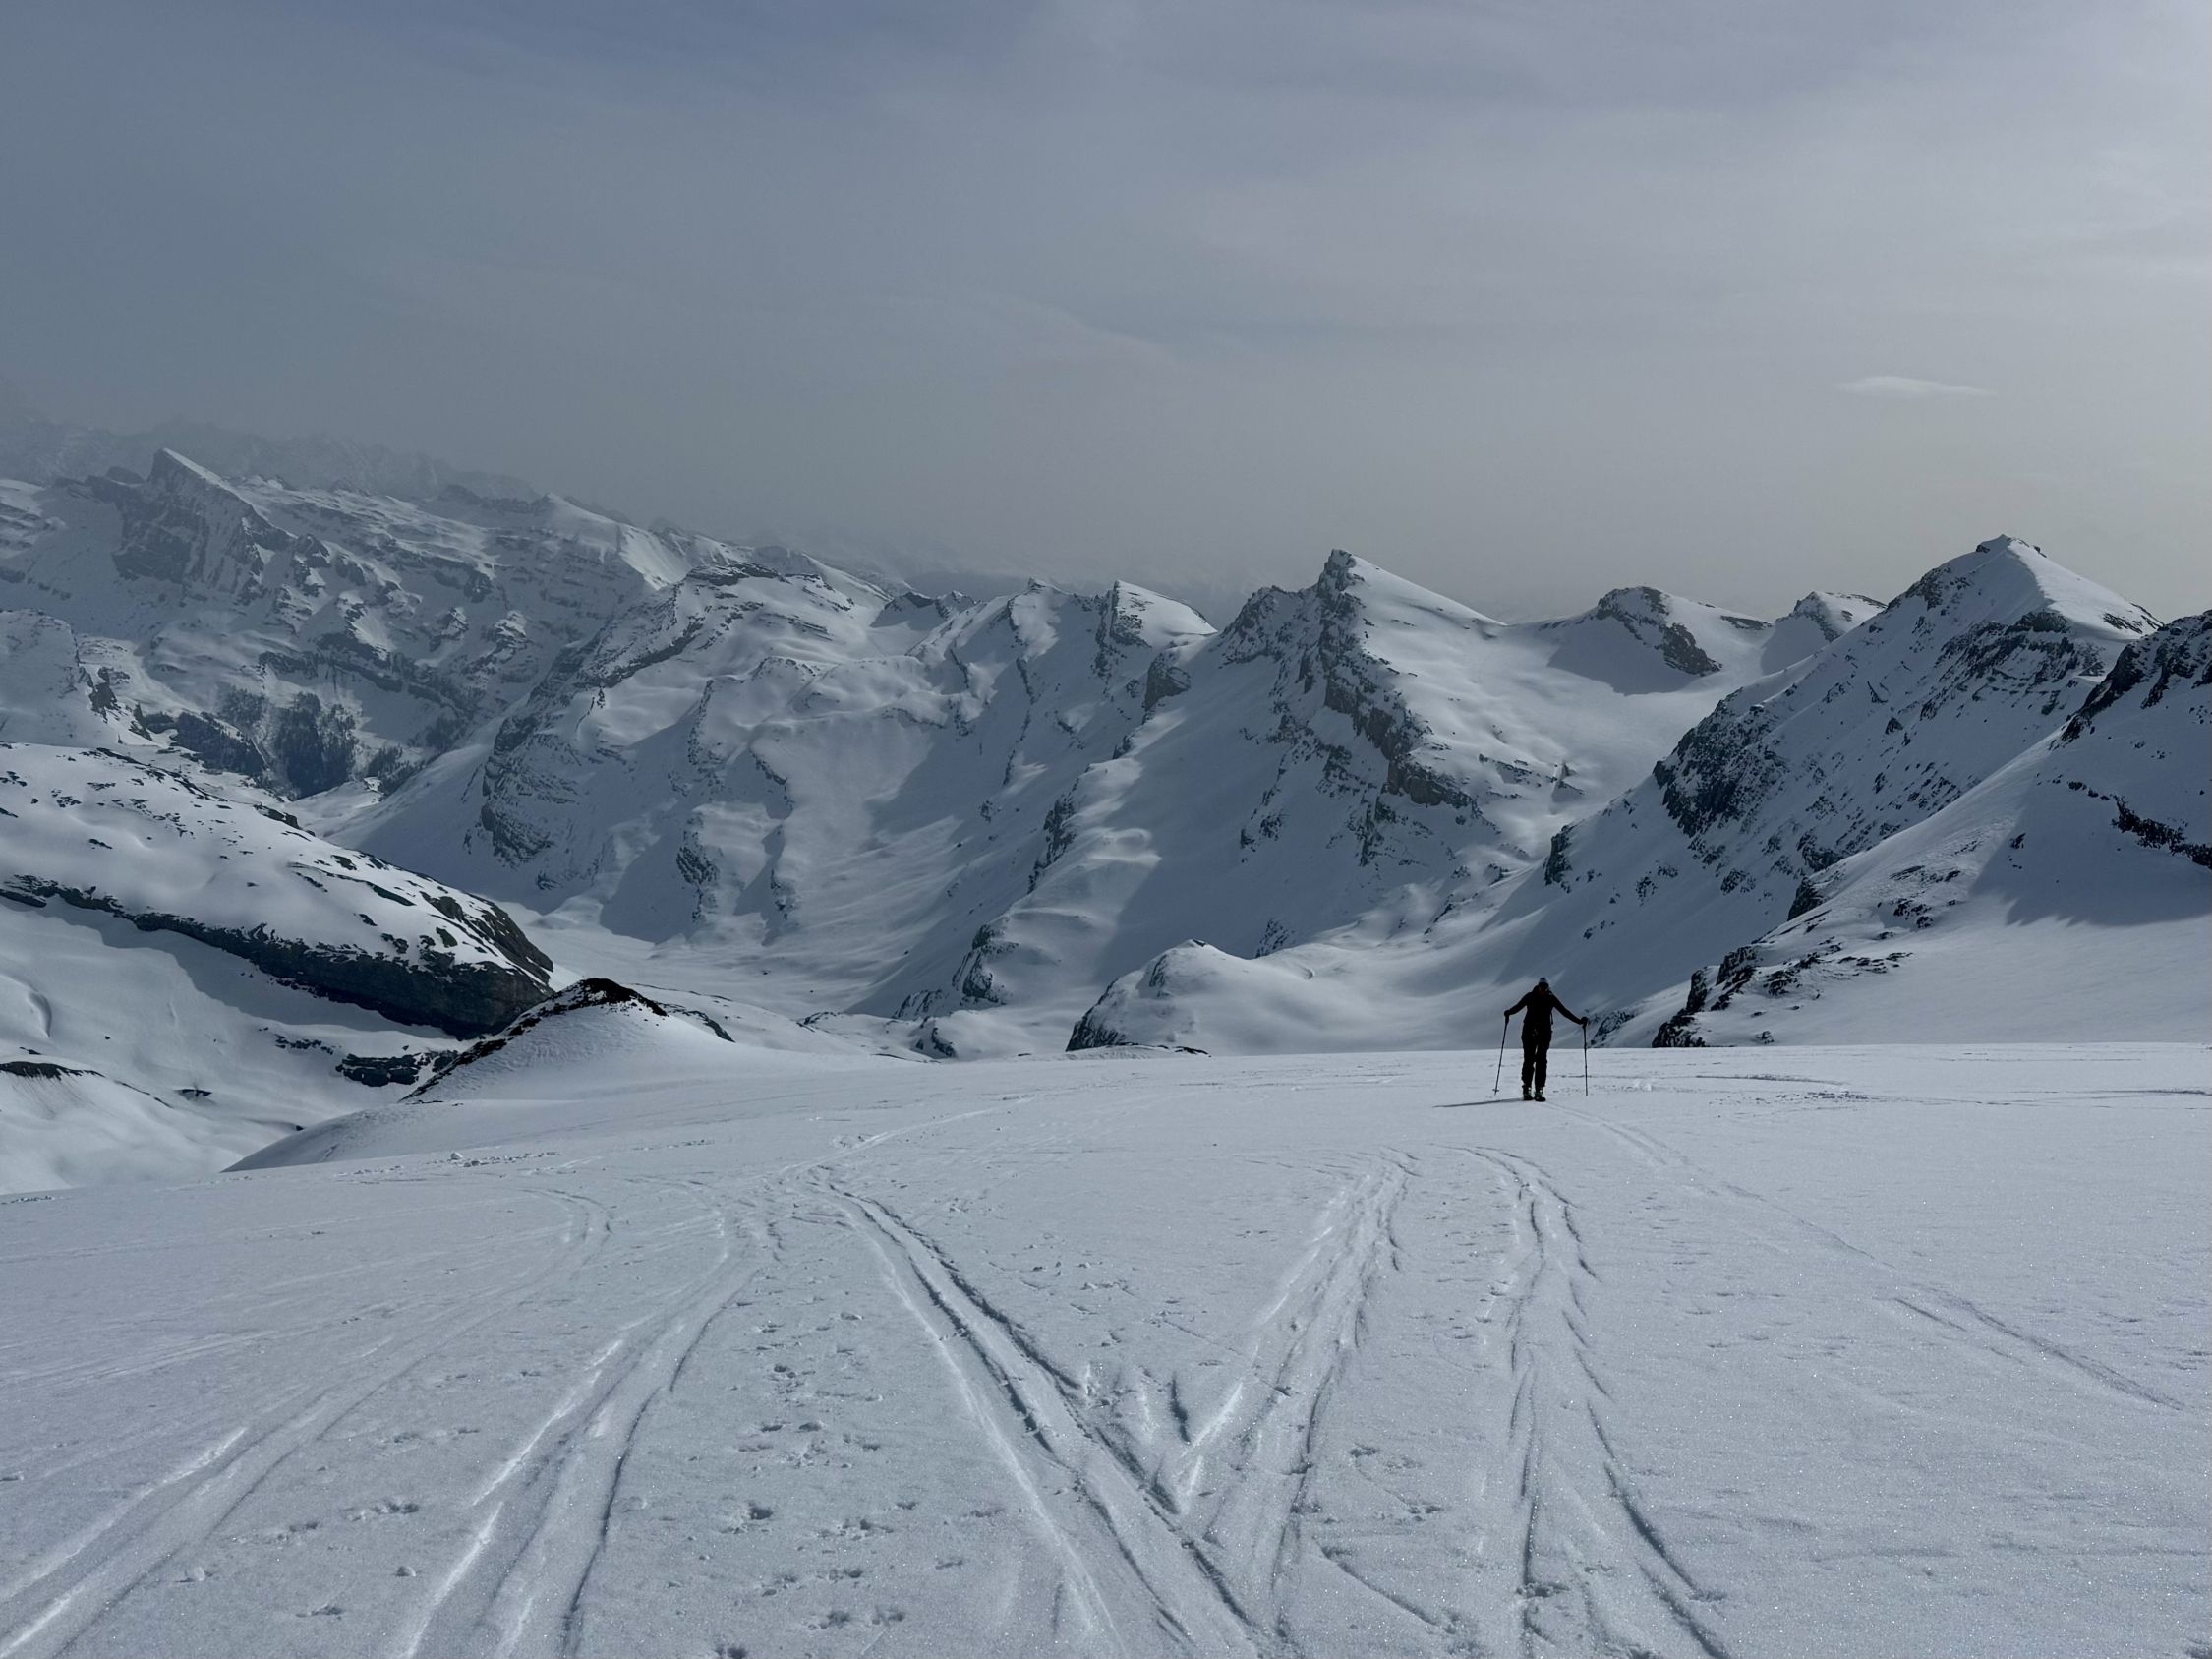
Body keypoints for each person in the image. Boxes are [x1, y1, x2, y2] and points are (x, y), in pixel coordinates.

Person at [1503, 978, 1586, 1100]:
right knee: (1536, 1060)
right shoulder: (1549, 998)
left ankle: (1532, 1089)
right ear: (1539, 986)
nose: (1543, 989)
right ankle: (1534, 1089)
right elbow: (1564, 1012)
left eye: (1544, 987)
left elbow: (1518, 1007)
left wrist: (1508, 1012)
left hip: (1533, 1032)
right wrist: (1509, 1012)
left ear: (1546, 987)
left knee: (1533, 1060)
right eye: (1542, 986)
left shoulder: (1532, 996)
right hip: (1540, 1032)